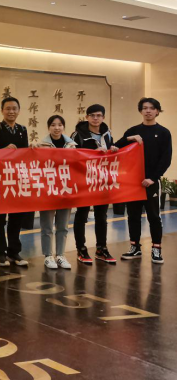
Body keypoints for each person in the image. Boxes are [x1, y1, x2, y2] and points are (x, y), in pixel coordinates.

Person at [116, 98, 173, 264]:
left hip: (151, 183)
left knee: (154, 216)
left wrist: (153, 178)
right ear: (140, 111)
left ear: (157, 111)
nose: (148, 111)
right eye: (145, 108)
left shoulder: (163, 132)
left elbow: (166, 158)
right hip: (133, 183)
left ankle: (156, 249)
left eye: (152, 108)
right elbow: (116, 147)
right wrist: (130, 138)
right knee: (133, 216)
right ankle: (135, 247)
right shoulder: (133, 130)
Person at [71, 104, 119, 265]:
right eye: (92, 115)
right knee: (82, 215)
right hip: (84, 180)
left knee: (101, 216)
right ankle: (81, 249)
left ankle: (101, 249)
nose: (95, 118)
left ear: (103, 117)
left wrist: (113, 149)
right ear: (87, 117)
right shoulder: (78, 134)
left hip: (102, 180)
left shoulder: (107, 133)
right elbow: (72, 156)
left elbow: (110, 155)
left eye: (98, 115)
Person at [0, 97, 29, 267]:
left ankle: (14, 252)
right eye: (8, 108)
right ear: (2, 111)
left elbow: (25, 154)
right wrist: (3, 151)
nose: (11, 111)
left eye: (14, 108)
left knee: (16, 218)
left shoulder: (23, 129)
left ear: (19, 111)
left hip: (16, 179)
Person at [36, 115, 77, 270]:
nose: (56, 128)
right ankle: (48, 256)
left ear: (63, 127)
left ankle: (60, 255)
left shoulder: (72, 145)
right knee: (47, 226)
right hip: (48, 190)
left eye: (60, 125)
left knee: (63, 225)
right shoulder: (41, 145)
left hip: (65, 189)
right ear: (49, 127)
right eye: (53, 125)